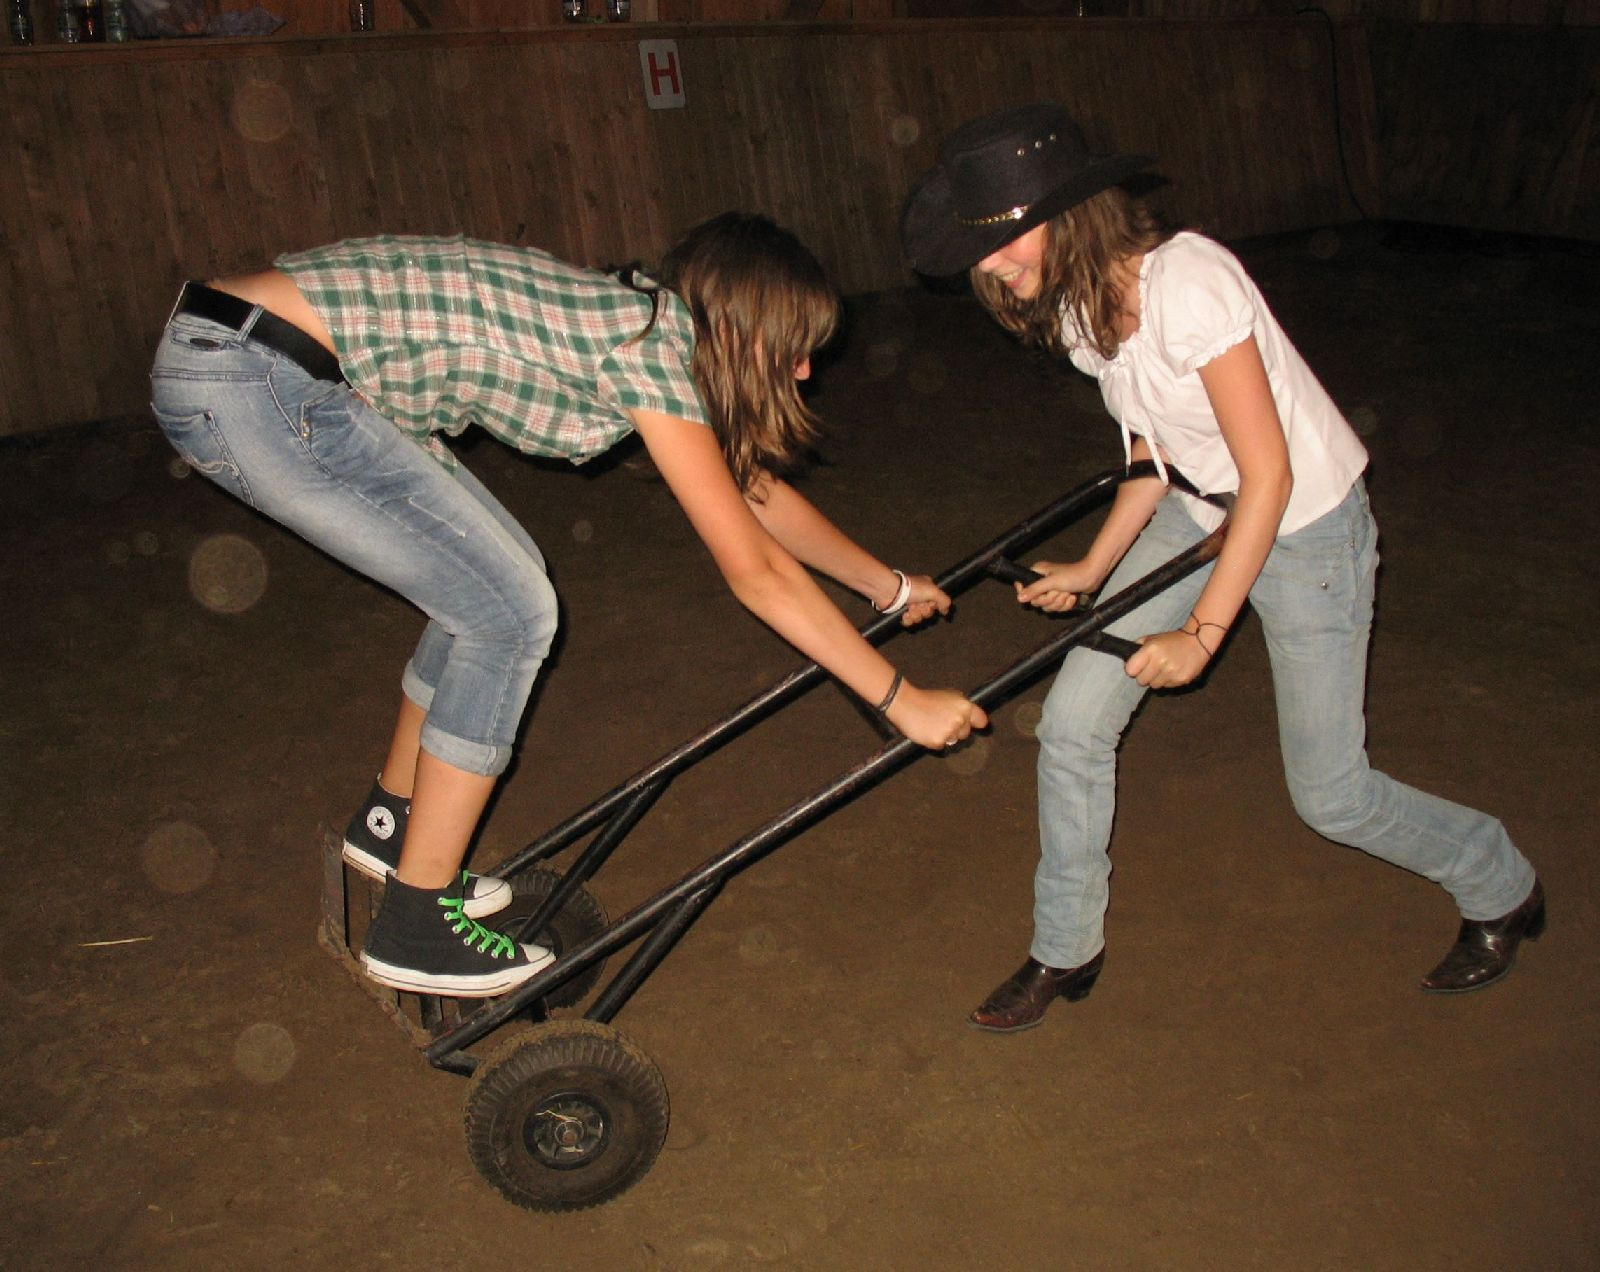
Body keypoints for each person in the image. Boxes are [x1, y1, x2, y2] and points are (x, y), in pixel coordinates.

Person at [151, 214, 987, 999]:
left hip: (257, 355)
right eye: (797, 350)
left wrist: (889, 585)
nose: (806, 371)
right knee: (509, 612)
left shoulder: (640, 328)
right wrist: (897, 699)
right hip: (258, 373)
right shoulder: (649, 349)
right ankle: (416, 920)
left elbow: (750, 497)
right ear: (742, 329)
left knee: (496, 585)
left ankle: (392, 825)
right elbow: (756, 571)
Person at [899, 104, 1542, 1033]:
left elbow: (1269, 473)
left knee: (1333, 795)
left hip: (1306, 528)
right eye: (980, 249)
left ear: (1071, 214)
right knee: (1073, 723)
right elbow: (1154, 460)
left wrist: (1203, 633)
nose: (991, 265)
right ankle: (1065, 946)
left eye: (1003, 240)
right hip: (1204, 513)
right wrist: (1092, 564)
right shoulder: (1080, 312)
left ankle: (1500, 882)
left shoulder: (1190, 282)